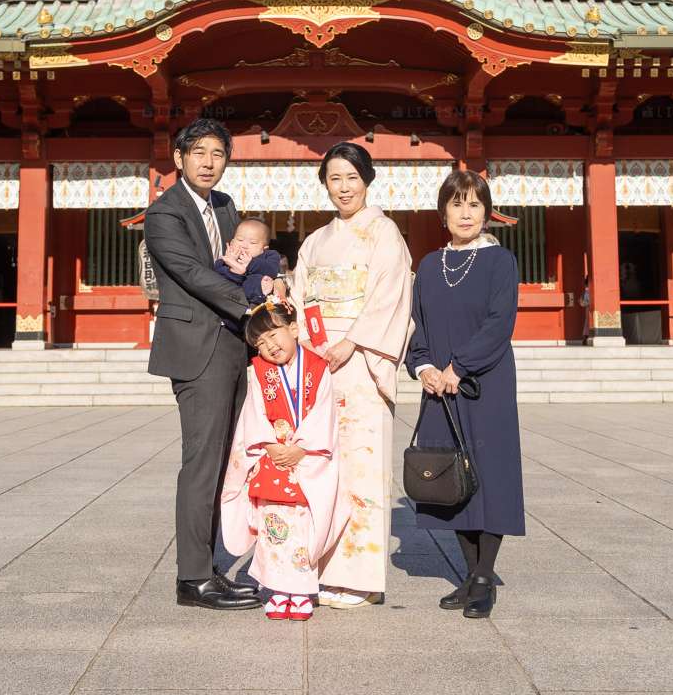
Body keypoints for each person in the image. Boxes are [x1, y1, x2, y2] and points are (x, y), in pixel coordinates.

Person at [143, 118, 261, 611]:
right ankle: (192, 579)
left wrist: (268, 284)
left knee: (224, 464)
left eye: (218, 153)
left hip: (233, 345)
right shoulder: (164, 213)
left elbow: (245, 261)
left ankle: (209, 566)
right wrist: (249, 305)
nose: (209, 162)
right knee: (201, 464)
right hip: (197, 348)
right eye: (199, 152)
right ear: (179, 158)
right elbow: (191, 273)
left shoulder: (226, 206)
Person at [289, 142, 413, 608]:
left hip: (361, 360)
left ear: (367, 180)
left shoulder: (384, 233)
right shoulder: (315, 241)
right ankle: (320, 567)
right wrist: (308, 342)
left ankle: (361, 576)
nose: (343, 188)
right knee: (323, 466)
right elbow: (302, 297)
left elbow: (389, 296)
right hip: (320, 359)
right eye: (334, 179)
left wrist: (351, 342)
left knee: (363, 465)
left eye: (351, 178)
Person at [407, 169, 525, 619]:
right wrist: (424, 367)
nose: (466, 213)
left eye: (474, 204)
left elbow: (499, 324)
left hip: (485, 383)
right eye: (457, 204)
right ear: (443, 212)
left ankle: (483, 577)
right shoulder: (429, 266)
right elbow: (417, 325)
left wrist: (460, 366)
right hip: (439, 387)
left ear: (487, 213)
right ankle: (470, 574)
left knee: (489, 473)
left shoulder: (500, 262)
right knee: (448, 476)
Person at [220, 300, 349, 621]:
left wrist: (301, 449)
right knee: (273, 528)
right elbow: (253, 412)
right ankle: (277, 590)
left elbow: (324, 413)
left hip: (307, 461)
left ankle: (301, 591)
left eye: (273, 335)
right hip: (272, 459)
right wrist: (268, 444)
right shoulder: (259, 372)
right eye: (260, 343)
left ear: (293, 329)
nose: (269, 346)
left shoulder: (318, 368)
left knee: (303, 527)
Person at [214, 218, 286, 311]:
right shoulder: (227, 258)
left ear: (264, 249)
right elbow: (218, 279)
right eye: (240, 240)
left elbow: (272, 270)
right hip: (236, 302)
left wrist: (251, 263)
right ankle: (236, 271)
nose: (244, 245)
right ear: (232, 242)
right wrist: (231, 263)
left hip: (262, 304)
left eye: (253, 242)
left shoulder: (269, 255)